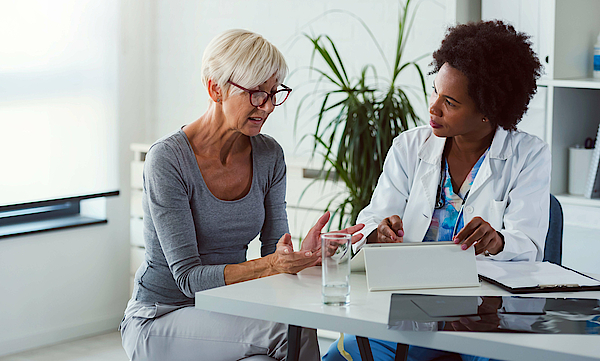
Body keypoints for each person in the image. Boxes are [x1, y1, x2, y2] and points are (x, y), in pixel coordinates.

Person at [119, 29, 364, 361]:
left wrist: (301, 257)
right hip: (161, 316)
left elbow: (274, 253)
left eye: (274, 93)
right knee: (287, 331)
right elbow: (189, 280)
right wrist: (273, 265)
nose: (267, 106)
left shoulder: (268, 155)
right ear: (215, 89)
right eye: (255, 93)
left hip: (227, 312)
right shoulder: (168, 159)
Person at [323, 20, 547, 361]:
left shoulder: (528, 156)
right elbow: (369, 219)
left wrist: (497, 241)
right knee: (346, 355)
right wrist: (378, 232)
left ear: (488, 111)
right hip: (407, 313)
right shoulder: (409, 147)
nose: (433, 108)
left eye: (451, 103)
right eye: (434, 91)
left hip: (485, 317)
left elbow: (528, 246)